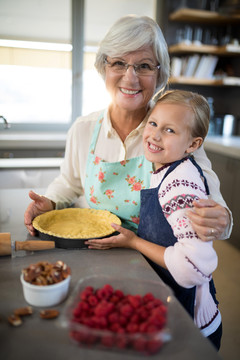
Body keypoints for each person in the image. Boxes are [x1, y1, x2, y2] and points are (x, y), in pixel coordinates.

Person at [24, 15, 232, 242]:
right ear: (104, 67)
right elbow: (68, 183)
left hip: (159, 262)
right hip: (98, 251)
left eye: (144, 66)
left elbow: (214, 205)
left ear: (159, 74)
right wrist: (50, 202)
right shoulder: (83, 129)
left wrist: (219, 220)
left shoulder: (178, 135)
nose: (130, 78)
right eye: (119, 63)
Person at [85, 90, 223, 349]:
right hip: (172, 306)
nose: (155, 135)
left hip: (192, 327)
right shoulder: (167, 169)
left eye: (170, 130)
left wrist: (134, 242)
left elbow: (191, 266)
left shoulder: (180, 186)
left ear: (193, 145)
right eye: (153, 123)